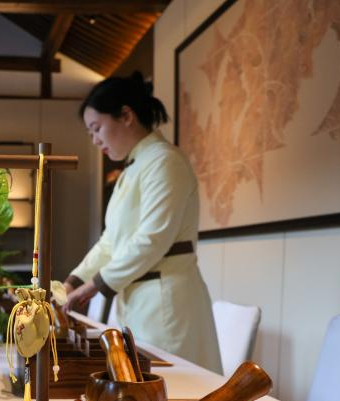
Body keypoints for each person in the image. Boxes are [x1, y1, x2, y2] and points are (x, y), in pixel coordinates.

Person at [64, 73, 222, 373]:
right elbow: (110, 242)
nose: (95, 140)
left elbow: (153, 239)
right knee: (140, 387)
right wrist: (73, 281)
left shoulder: (165, 161)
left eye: (96, 129)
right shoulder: (132, 171)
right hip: (138, 300)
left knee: (172, 389)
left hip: (165, 302)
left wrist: (92, 287)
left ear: (126, 116)